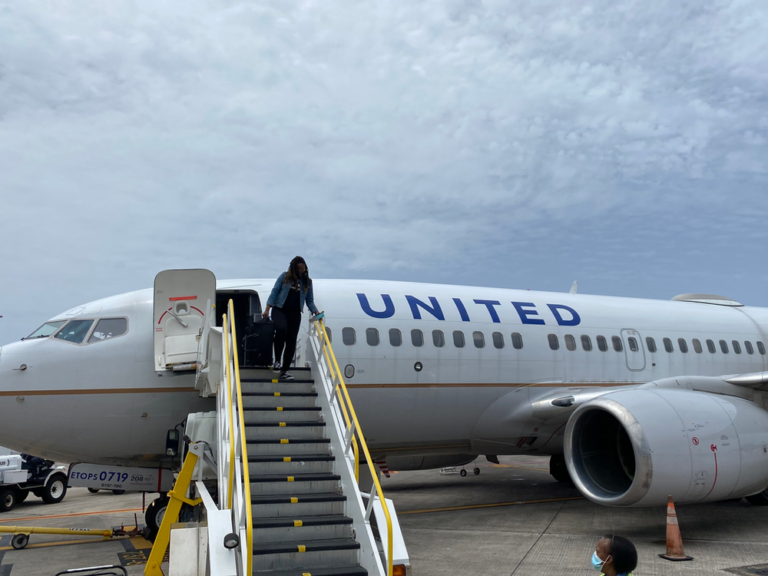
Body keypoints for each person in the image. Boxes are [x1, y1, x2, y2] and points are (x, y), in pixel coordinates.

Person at [263, 256, 319, 380]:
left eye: (303, 269)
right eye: (299, 269)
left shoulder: (307, 282)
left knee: (291, 340)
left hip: (295, 313)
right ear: (293, 268)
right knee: (281, 329)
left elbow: (309, 300)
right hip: (279, 309)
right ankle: (277, 361)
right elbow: (275, 292)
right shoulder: (284, 277)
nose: (301, 271)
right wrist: (267, 309)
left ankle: (285, 370)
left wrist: (316, 311)